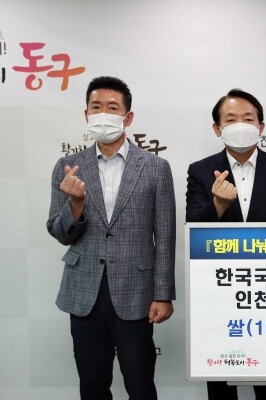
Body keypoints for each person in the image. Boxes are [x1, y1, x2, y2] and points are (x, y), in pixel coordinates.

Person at [47, 76, 176, 400]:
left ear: (127, 117)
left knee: (140, 385)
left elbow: (165, 235)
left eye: (112, 107)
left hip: (136, 291)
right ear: (86, 114)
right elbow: (59, 232)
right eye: (96, 107)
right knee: (92, 386)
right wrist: (75, 205)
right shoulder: (67, 167)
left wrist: (163, 294)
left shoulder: (156, 167)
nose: (103, 114)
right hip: (84, 289)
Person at [186, 89, 266, 400]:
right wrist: (218, 205)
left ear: (261, 126)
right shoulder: (200, 170)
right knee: (219, 376)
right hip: (219, 288)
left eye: (248, 119)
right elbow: (193, 228)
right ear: (217, 128)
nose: (240, 125)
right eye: (231, 119)